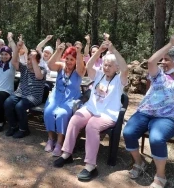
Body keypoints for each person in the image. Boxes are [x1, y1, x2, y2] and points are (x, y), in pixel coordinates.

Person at [54, 41, 128, 182]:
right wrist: (99, 50)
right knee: (75, 119)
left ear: (116, 67)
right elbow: (88, 66)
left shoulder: (120, 79)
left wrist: (113, 49)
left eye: (110, 65)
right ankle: (66, 154)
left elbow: (124, 68)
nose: (106, 67)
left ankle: (90, 166)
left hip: (107, 113)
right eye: (105, 64)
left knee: (92, 126)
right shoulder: (99, 74)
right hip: (91, 108)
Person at [123, 34, 174, 188]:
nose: (163, 62)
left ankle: (160, 176)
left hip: (170, 117)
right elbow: (151, 61)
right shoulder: (159, 75)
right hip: (146, 112)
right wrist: (169, 43)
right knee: (128, 132)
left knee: (156, 138)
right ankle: (139, 162)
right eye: (162, 59)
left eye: (167, 59)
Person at [43, 43, 86, 156]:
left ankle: (59, 142)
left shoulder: (78, 71)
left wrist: (79, 53)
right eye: (67, 58)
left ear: (76, 60)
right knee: (48, 112)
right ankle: (50, 139)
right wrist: (58, 51)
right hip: (56, 96)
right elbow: (50, 65)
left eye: (72, 59)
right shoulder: (61, 67)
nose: (69, 61)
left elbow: (81, 68)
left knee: (62, 114)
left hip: (70, 99)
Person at [4, 40, 46, 139]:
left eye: (32, 59)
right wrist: (17, 49)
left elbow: (39, 76)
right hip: (20, 93)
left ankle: (24, 129)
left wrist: (34, 59)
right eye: (28, 59)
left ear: (38, 61)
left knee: (19, 107)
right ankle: (13, 126)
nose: (29, 61)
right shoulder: (24, 68)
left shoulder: (43, 70)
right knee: (7, 103)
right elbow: (14, 61)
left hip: (33, 97)